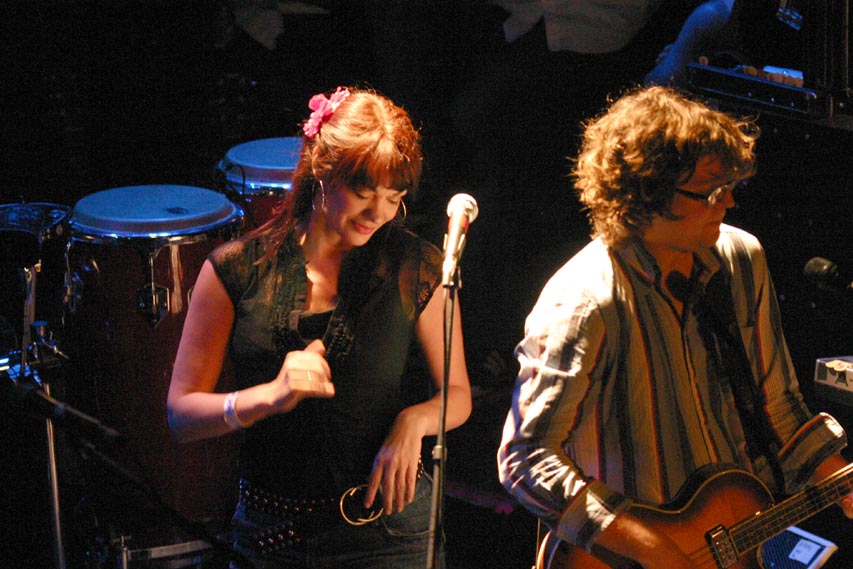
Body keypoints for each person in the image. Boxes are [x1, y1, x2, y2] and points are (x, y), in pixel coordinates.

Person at [497, 85, 853, 568]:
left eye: (730, 186)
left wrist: (839, 478)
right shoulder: (584, 301)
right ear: (648, 193)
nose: (729, 202)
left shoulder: (741, 259)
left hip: (732, 540)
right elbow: (527, 459)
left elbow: (778, 407)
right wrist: (656, 550)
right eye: (711, 191)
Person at [167, 86, 472, 568]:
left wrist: (413, 421)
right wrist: (268, 397)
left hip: (389, 529)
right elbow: (181, 416)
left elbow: (457, 393)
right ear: (321, 169)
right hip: (272, 532)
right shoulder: (236, 269)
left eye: (393, 198)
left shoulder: (415, 264)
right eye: (363, 193)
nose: (378, 213)